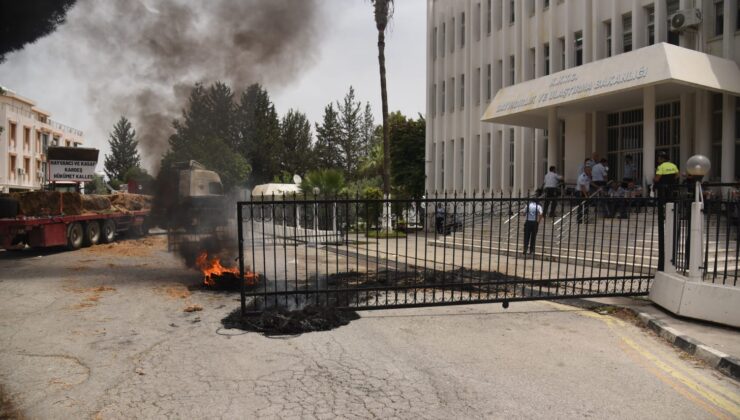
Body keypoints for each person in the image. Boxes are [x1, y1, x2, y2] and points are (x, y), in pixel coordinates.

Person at [653, 151, 679, 271]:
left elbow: (657, 178)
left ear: (662, 158)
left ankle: (662, 215)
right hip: (671, 188)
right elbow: (677, 176)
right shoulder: (673, 165)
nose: (658, 159)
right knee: (670, 203)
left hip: (662, 189)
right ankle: (671, 214)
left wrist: (655, 181)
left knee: (662, 204)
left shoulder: (661, 167)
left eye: (659, 157)